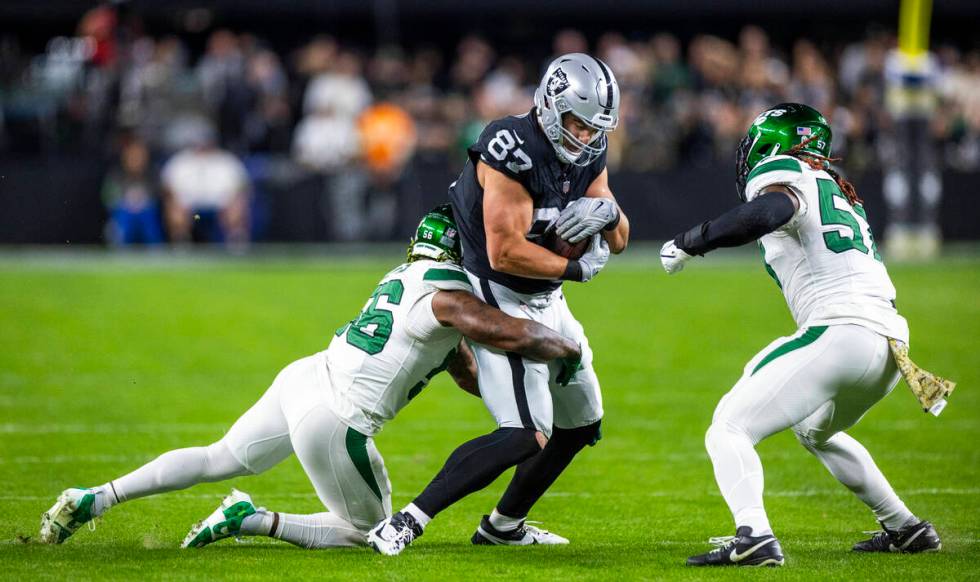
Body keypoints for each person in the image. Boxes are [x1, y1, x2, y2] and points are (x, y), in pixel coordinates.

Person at [39, 205, 582, 550]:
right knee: (365, 532)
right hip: (336, 419)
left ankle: (98, 496)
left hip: (305, 377)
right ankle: (251, 519)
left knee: (215, 456)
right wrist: (565, 347)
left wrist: (485, 374)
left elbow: (460, 365)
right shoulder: (447, 296)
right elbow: (505, 332)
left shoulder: (402, 276)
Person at [659, 103, 942, 567]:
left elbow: (770, 211)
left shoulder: (785, 171)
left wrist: (694, 240)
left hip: (841, 331)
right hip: (891, 345)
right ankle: (905, 527)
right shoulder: (835, 186)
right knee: (817, 431)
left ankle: (754, 536)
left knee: (729, 426)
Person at [369, 53, 629, 555]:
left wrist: (609, 211)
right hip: (499, 296)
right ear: (552, 108)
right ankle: (407, 520)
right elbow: (504, 251)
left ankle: (503, 526)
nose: (585, 136)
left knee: (581, 424)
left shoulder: (587, 150)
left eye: (595, 127)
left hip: (547, 295)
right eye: (576, 122)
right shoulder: (511, 147)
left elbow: (619, 238)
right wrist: (577, 268)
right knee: (525, 433)